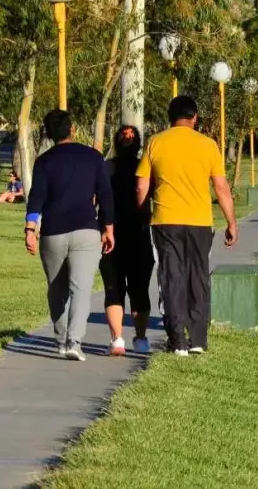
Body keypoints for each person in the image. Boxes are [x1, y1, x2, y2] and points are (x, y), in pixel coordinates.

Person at [136, 96, 238, 357]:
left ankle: (177, 339)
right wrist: (231, 222)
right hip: (200, 222)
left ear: (170, 117)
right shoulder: (208, 145)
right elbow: (221, 187)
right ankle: (198, 339)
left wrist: (142, 212)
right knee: (198, 277)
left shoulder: (156, 142)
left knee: (171, 277)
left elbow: (141, 186)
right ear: (194, 118)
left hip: (165, 221)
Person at [25, 110, 114, 362]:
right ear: (72, 129)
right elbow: (105, 195)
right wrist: (108, 228)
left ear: (49, 134)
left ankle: (62, 339)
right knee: (81, 288)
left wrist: (30, 229)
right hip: (86, 230)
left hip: (53, 233)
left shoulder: (44, 161)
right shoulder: (93, 157)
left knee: (57, 289)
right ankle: (74, 341)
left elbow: (36, 198)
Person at [100, 126, 154, 356]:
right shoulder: (145, 167)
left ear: (115, 141)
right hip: (139, 234)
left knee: (113, 289)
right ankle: (140, 339)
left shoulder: (105, 167)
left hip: (110, 234)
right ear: (138, 143)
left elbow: (96, 197)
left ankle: (117, 339)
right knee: (139, 290)